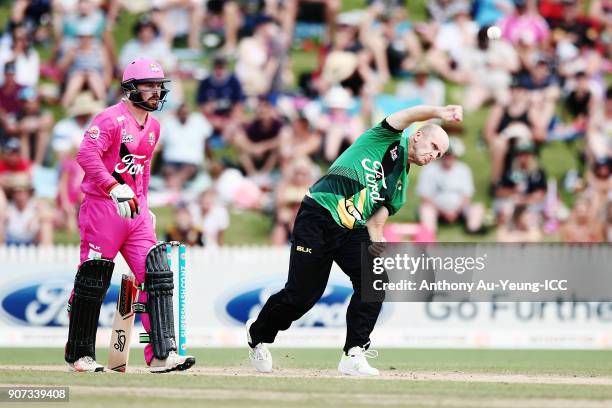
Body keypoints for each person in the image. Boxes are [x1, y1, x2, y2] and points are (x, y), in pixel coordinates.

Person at [246, 104, 461, 376]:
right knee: (301, 297)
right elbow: (407, 115)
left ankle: (354, 353)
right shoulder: (385, 138)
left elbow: (377, 217)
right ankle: (257, 333)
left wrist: (377, 239)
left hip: (352, 227)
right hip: (319, 214)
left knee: (375, 280)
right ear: (417, 135)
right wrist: (439, 111)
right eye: (433, 146)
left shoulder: (400, 186)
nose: (433, 155)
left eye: (439, 153)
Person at [64, 58, 195, 373]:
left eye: (158, 86)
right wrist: (112, 186)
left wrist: (144, 203)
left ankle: (162, 354)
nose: (155, 92)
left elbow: (144, 168)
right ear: (131, 87)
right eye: (149, 85)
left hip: (134, 212)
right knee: (93, 278)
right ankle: (79, 355)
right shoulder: (109, 119)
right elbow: (86, 154)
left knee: (156, 275)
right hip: (102, 208)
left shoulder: (154, 125)